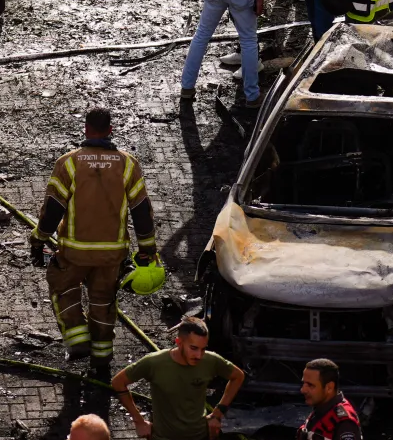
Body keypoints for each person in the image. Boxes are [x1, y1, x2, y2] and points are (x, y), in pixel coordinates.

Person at [31, 107, 159, 378]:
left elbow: (53, 209)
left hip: (74, 251)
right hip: (112, 254)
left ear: (86, 129)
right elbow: (141, 211)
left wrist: (38, 239)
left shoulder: (68, 163)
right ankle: (101, 360)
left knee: (62, 285)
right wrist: (147, 249)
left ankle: (77, 339)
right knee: (103, 301)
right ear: (110, 130)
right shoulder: (128, 164)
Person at [110, 317, 245, 440]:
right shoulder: (154, 363)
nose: (199, 355)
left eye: (203, 349)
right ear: (179, 342)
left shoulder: (211, 360)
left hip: (199, 436)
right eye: (193, 348)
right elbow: (118, 382)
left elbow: (238, 376)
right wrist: (139, 421)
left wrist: (218, 413)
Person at [298, 359, 361, 440]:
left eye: (310, 385)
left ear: (329, 387)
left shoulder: (344, 423)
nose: (303, 390)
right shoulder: (321, 409)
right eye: (304, 383)